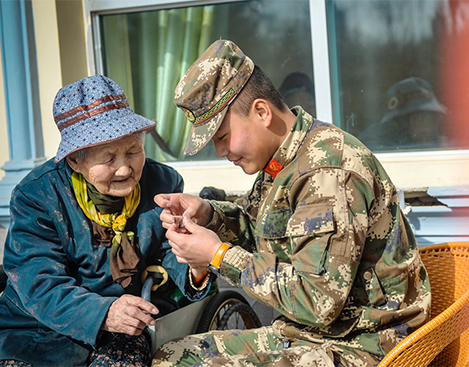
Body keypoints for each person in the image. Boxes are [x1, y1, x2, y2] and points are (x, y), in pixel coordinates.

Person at [152, 40, 431, 367]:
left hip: (365, 345)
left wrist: (218, 255)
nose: (220, 151)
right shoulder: (286, 159)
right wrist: (209, 214)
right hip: (314, 335)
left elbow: (318, 302)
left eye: (223, 136)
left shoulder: (327, 172)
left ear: (261, 112)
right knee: (173, 357)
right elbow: (256, 229)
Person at [0, 75, 212, 367]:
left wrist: (197, 266)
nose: (124, 168)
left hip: (123, 332)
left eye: (133, 151)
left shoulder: (162, 183)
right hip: (35, 333)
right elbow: (40, 283)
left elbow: (170, 252)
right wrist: (103, 313)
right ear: (75, 161)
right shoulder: (36, 195)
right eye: (108, 158)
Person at [357, 77, 448, 151]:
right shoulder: (378, 142)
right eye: (425, 117)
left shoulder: (444, 145)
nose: (430, 125)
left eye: (434, 117)